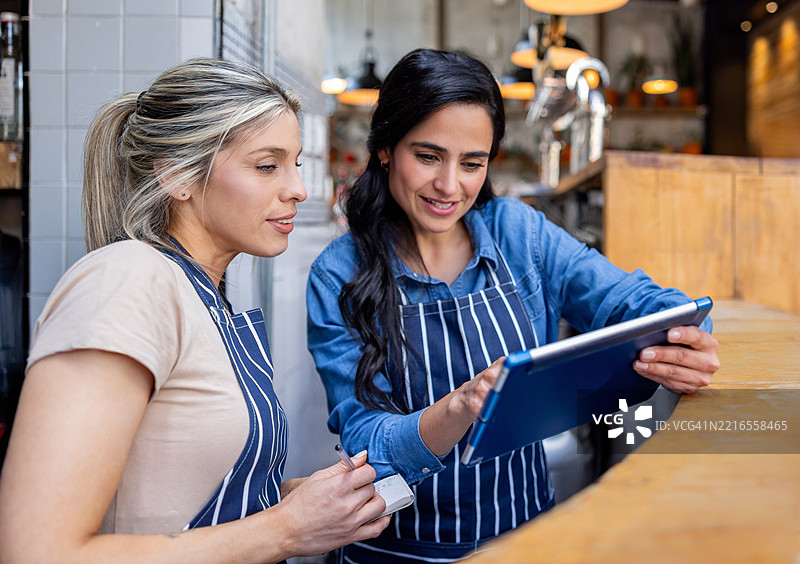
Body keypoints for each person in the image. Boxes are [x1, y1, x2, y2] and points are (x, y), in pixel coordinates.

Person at [305, 48, 720, 563]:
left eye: (472, 163)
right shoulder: (338, 272)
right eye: (428, 156)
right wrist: (458, 408)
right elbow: (365, 439)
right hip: (399, 551)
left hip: (527, 540)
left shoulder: (518, 233)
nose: (450, 186)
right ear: (386, 147)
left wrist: (680, 331)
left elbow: (625, 298)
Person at [0, 58, 389, 564]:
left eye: (294, 164)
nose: (297, 189)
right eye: (267, 165)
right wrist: (283, 530)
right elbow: (36, 551)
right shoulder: (126, 282)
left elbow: (172, 493)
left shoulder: (203, 291)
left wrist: (293, 504)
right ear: (178, 174)